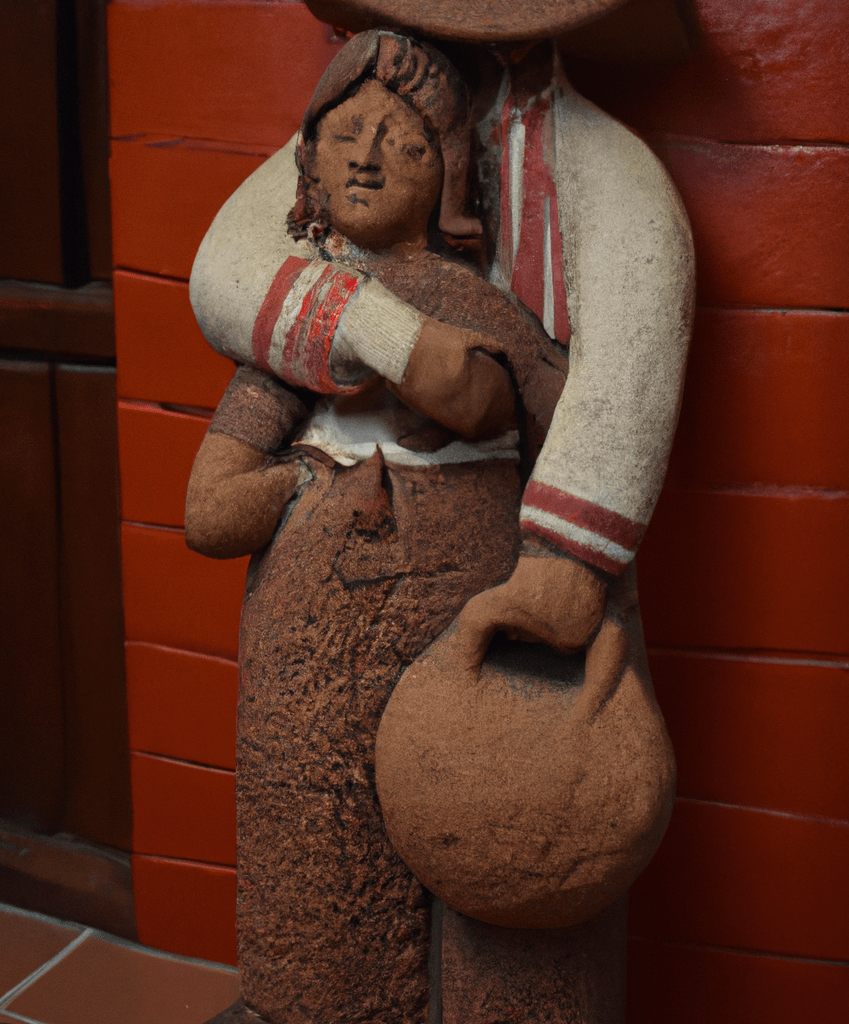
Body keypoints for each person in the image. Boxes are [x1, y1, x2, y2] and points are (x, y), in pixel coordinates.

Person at [186, 32, 568, 1024]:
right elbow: (211, 509)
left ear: (447, 174)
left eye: (401, 141)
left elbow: (530, 412)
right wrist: (303, 488)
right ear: (307, 163)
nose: (364, 154)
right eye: (343, 131)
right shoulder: (301, 333)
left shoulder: (483, 311)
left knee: (471, 860)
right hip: (309, 660)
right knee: (311, 865)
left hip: (460, 644)